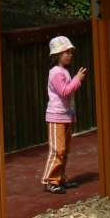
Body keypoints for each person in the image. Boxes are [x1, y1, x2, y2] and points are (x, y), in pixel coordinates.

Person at [42, 35, 86, 193]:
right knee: (58, 150)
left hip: (66, 116)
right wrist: (77, 79)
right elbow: (65, 91)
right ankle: (50, 181)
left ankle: (60, 178)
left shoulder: (64, 71)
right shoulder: (56, 72)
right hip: (56, 116)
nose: (69, 55)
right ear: (57, 55)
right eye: (66, 52)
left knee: (65, 150)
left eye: (70, 52)